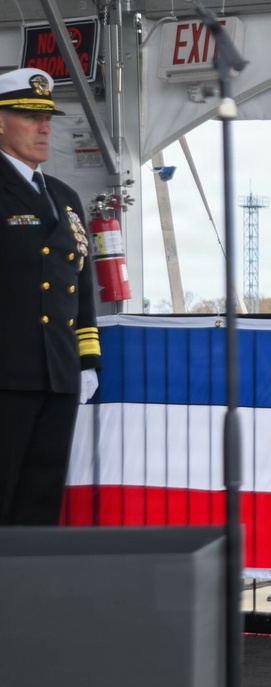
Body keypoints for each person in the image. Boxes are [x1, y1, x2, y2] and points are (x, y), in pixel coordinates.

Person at [0, 68, 100, 526]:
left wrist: (86, 361)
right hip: (6, 378)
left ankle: (24, 599)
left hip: (57, 378)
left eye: (47, 118)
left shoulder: (64, 197)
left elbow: (78, 287)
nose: (45, 128)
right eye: (29, 116)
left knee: (38, 511)